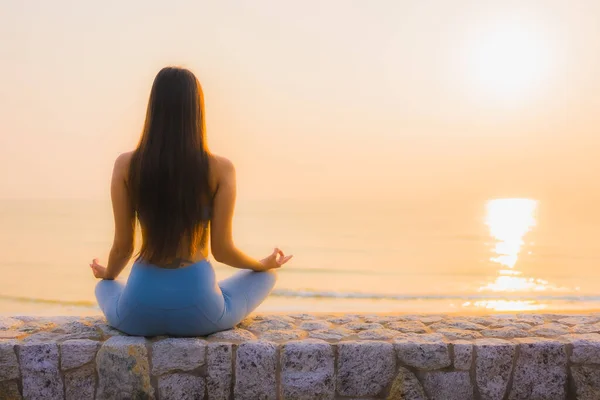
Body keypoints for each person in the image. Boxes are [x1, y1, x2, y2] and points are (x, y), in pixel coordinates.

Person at [90, 66, 292, 336]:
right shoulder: (220, 169)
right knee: (267, 277)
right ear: (197, 110)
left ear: (154, 108)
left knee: (104, 286)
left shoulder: (127, 165)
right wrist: (262, 264)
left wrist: (108, 273)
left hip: (138, 311)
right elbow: (222, 250)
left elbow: (123, 247)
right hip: (200, 311)